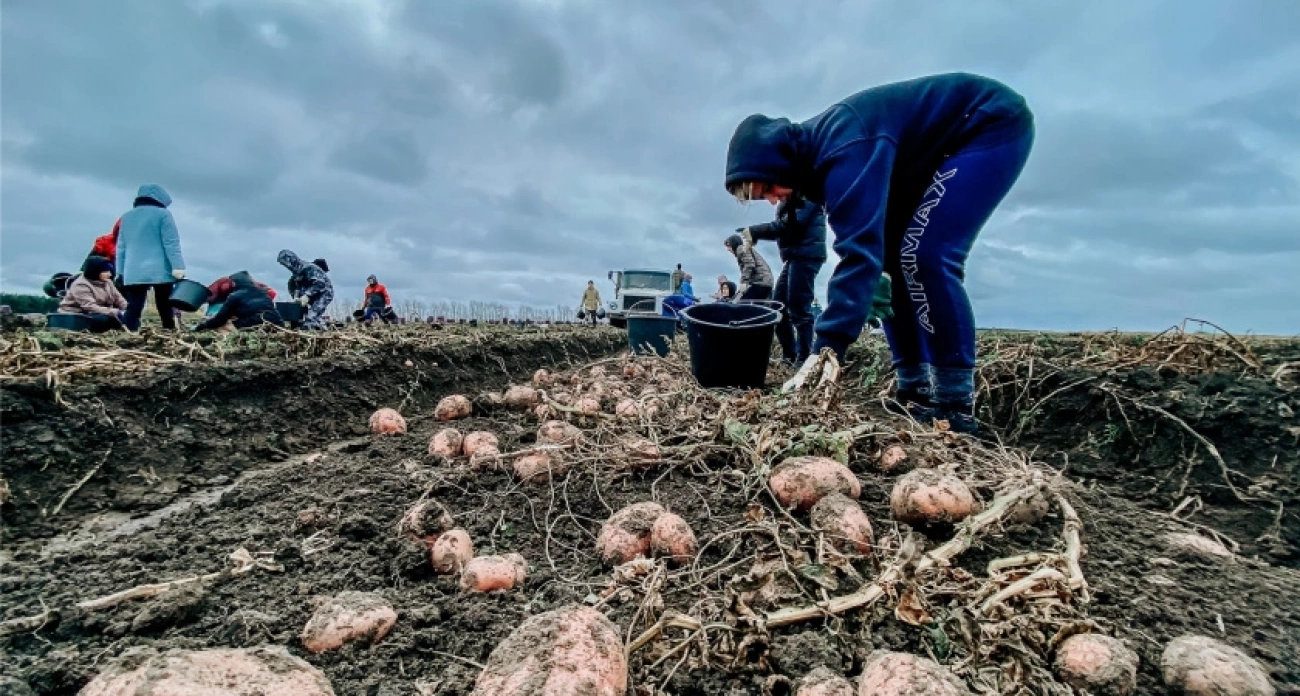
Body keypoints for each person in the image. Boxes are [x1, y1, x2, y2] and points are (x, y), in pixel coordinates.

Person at [724, 73, 1034, 433]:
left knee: (925, 255)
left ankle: (953, 404)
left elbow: (857, 252)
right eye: (764, 198)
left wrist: (826, 350)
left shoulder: (843, 147)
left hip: (985, 125)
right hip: (917, 159)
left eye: (769, 187)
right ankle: (914, 387)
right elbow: (869, 253)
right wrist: (872, 272)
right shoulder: (814, 173)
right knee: (888, 265)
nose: (775, 198)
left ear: (777, 160)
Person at [740, 194, 827, 365]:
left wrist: (756, 231)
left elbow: (791, 226)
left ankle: (805, 357)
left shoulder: (806, 195)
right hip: (794, 256)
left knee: (798, 306)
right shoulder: (790, 198)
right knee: (777, 306)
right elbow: (784, 226)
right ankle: (790, 354)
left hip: (807, 254)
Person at [116, 184, 185, 331]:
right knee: (165, 305)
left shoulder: (127, 217)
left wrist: (120, 271)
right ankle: (169, 332)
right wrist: (178, 267)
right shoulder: (163, 214)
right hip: (160, 269)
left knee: (134, 306)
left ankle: (127, 333)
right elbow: (171, 243)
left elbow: (121, 246)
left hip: (133, 269)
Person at [193, 271, 283, 332]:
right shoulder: (263, 292)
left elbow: (219, 320)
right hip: (277, 324)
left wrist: (201, 327)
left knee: (222, 327)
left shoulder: (235, 296)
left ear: (234, 283)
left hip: (253, 325)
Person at [58, 257, 127, 332]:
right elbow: (89, 306)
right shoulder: (80, 285)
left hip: (100, 311)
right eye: (106, 271)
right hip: (77, 315)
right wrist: (115, 312)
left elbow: (119, 299)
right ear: (96, 271)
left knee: (125, 319)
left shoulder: (108, 283)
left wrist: (128, 310)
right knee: (103, 319)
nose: (109, 274)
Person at [278, 250, 335, 330]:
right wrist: (297, 297)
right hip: (313, 294)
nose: (285, 266)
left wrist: (307, 295)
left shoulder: (308, 268)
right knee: (314, 315)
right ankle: (323, 330)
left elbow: (320, 284)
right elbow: (296, 287)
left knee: (311, 316)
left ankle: (314, 333)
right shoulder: (296, 272)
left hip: (324, 293)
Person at [724, 234, 773, 301]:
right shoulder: (745, 249)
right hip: (767, 283)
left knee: (742, 304)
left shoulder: (740, 249)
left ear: (734, 243)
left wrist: (744, 282)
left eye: (729, 246)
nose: (728, 249)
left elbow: (749, 264)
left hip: (760, 283)